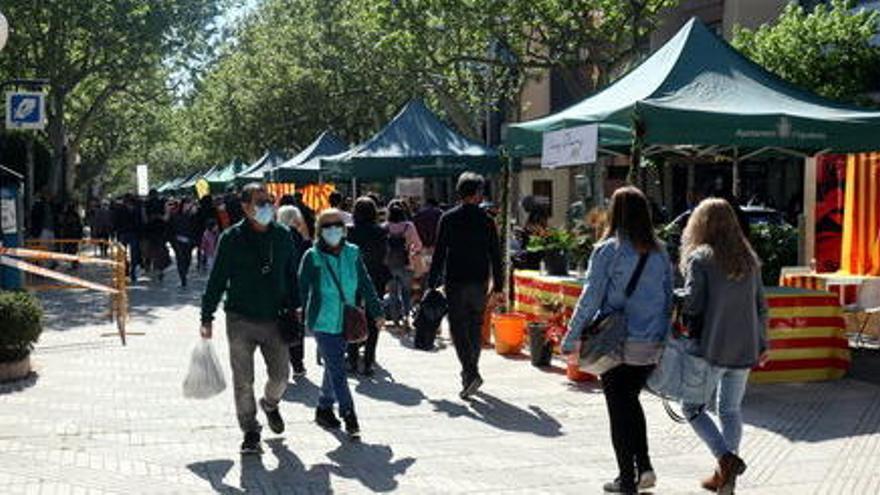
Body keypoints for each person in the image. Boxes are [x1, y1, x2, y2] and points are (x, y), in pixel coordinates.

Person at [560, 186, 672, 495]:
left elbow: (590, 298)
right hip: (650, 342)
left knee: (618, 409)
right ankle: (644, 466)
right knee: (630, 402)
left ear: (616, 213)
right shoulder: (660, 251)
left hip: (617, 341)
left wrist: (571, 337)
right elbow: (667, 298)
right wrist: (663, 338)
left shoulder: (608, 249)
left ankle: (627, 478)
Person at [200, 182, 299, 455]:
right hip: (240, 319)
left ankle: (270, 403)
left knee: (281, 376)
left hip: (275, 318)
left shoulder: (283, 236)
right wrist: (206, 316)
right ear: (245, 207)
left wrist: (297, 305)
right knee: (243, 380)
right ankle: (250, 431)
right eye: (260, 202)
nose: (267, 207)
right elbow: (217, 279)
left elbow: (292, 274)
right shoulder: (230, 239)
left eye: (269, 201)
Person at [679, 198, 768, 494]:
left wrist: (674, 296)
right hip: (744, 348)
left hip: (710, 347)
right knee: (730, 410)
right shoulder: (748, 258)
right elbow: (761, 306)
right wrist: (762, 342)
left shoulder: (700, 257)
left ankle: (724, 459)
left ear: (699, 224)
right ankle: (724, 476)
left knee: (691, 407)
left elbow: (693, 304)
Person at [298, 209, 383, 440]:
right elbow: (301, 289)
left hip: (346, 321)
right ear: (319, 231)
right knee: (337, 369)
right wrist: (294, 311)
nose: (333, 229)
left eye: (337, 225)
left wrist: (377, 312)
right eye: (327, 226)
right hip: (322, 322)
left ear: (344, 228)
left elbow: (365, 284)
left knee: (333, 366)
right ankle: (349, 414)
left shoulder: (353, 253)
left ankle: (324, 407)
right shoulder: (312, 257)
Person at [427, 172, 504, 400]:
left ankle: (470, 373)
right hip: (479, 281)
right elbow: (496, 256)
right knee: (475, 326)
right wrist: (498, 285)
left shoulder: (448, 218)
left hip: (456, 281)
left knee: (458, 328)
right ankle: (470, 373)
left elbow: (440, 253)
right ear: (478, 194)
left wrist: (432, 282)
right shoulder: (487, 220)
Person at [346, 197, 391, 376]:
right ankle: (369, 360)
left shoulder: (349, 231)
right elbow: (383, 255)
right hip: (375, 276)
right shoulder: (380, 231)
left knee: (351, 316)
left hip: (352, 278)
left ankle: (352, 358)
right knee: (374, 318)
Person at [276, 204, 312, 377]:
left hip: (277, 288)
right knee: (296, 325)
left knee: (277, 326)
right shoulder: (297, 236)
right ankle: (298, 363)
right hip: (296, 287)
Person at [383, 200, 423, 330]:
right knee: (406, 292)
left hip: (389, 265)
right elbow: (418, 245)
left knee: (393, 293)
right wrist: (412, 252)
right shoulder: (409, 226)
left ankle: (395, 321)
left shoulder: (385, 227)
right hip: (406, 264)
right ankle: (406, 317)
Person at [169, 198, 198, 289]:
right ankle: (183, 278)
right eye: (186, 204)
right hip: (178, 241)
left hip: (189, 242)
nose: (188, 206)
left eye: (189, 204)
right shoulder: (175, 215)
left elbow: (197, 228)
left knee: (188, 259)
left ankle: (184, 274)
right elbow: (171, 228)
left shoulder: (193, 217)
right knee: (180, 260)